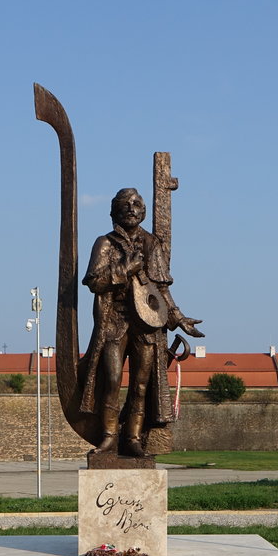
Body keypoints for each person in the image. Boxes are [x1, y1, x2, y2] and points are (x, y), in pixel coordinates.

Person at [80, 188, 203, 457]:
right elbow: (94, 282)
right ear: (114, 211)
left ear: (144, 211)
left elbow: (161, 288)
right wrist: (126, 268)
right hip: (115, 321)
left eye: (137, 204)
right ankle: (110, 436)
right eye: (125, 204)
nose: (132, 208)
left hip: (146, 325)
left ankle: (133, 437)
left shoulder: (151, 243)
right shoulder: (105, 243)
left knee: (141, 384)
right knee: (112, 380)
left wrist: (178, 316)